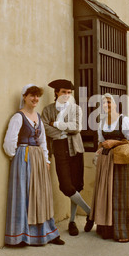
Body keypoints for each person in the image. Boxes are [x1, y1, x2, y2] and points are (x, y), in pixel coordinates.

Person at [3, 84, 64, 246]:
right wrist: (17, 158)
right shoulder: (18, 117)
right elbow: (9, 142)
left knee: (41, 195)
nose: (35, 99)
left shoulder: (37, 116)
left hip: (38, 159)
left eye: (37, 96)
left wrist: (46, 159)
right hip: (24, 158)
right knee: (24, 195)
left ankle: (47, 232)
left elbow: (43, 141)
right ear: (24, 97)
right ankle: (22, 236)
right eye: (32, 95)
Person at [41, 79, 93, 236]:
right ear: (56, 93)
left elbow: (77, 127)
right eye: (63, 92)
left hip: (76, 149)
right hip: (59, 149)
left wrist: (56, 124)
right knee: (65, 185)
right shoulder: (48, 110)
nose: (66, 95)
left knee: (76, 186)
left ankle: (72, 221)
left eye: (69, 93)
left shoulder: (75, 109)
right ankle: (90, 212)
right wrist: (62, 131)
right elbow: (44, 127)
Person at [89, 93, 129, 243]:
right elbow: (101, 141)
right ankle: (106, 229)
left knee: (120, 195)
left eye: (109, 103)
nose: (106, 106)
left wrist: (114, 143)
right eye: (104, 104)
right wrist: (99, 150)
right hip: (105, 161)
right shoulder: (102, 121)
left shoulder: (124, 120)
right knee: (106, 193)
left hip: (120, 162)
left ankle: (123, 231)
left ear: (116, 104)